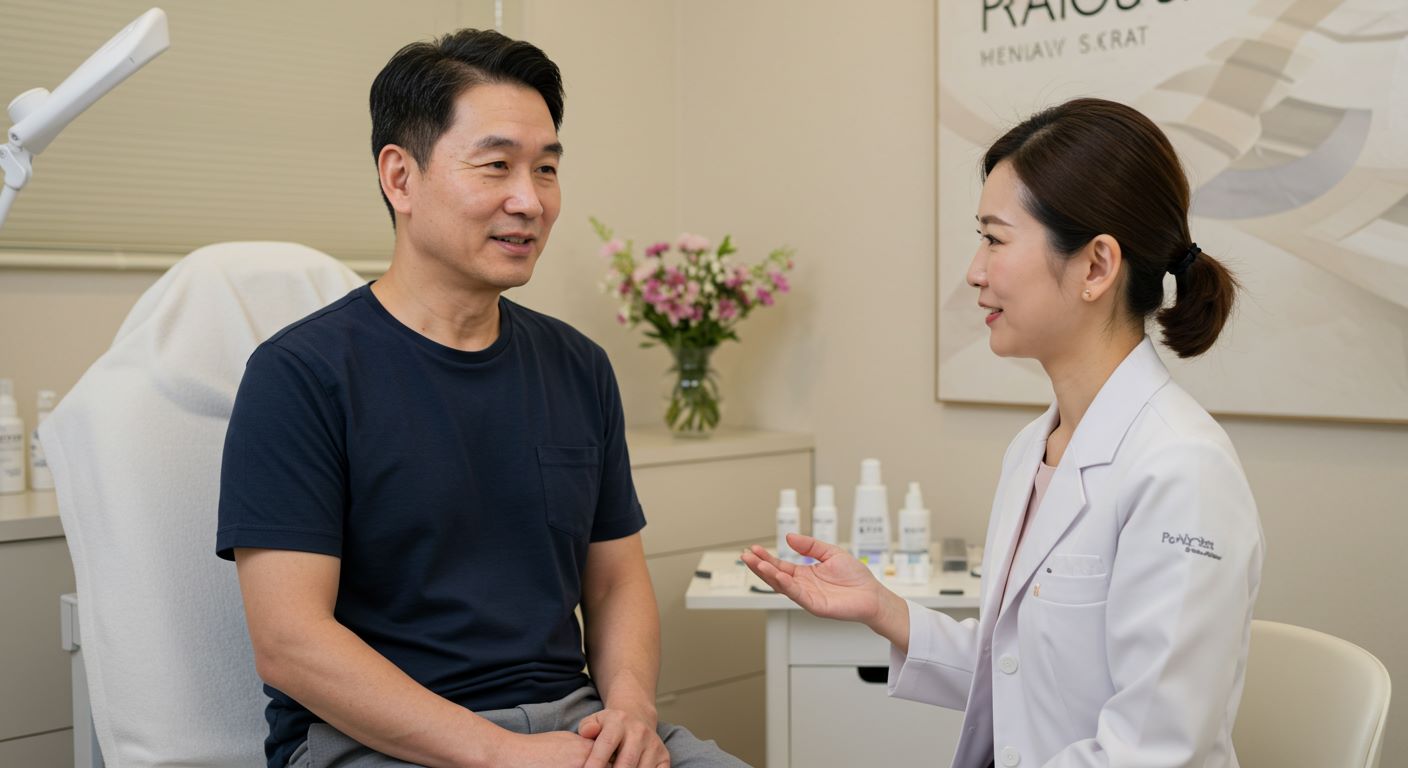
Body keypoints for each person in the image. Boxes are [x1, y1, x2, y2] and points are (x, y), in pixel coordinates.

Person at [216, 29, 747, 768]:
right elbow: (290, 642)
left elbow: (615, 582)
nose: (529, 200)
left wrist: (630, 711)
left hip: (573, 726)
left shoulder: (578, 366)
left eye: (547, 169)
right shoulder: (301, 375)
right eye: (497, 165)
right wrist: (500, 755)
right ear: (400, 178)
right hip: (377, 744)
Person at [743, 98, 1264, 768]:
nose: (975, 271)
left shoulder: (1182, 469)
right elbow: (1022, 675)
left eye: (994, 239)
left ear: (1097, 267)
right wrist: (882, 607)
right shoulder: (1033, 450)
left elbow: (1155, 752)